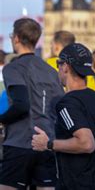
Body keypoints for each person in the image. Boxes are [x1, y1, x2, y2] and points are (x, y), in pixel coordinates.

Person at [32, 43, 95, 190]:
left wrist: (48, 144)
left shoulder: (66, 104)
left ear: (65, 66)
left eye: (58, 64)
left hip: (79, 184)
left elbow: (86, 143)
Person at [0, 18, 64, 189]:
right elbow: (58, 105)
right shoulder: (50, 71)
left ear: (16, 38)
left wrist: (1, 120)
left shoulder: (12, 68)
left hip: (19, 142)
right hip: (46, 141)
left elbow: (21, 104)